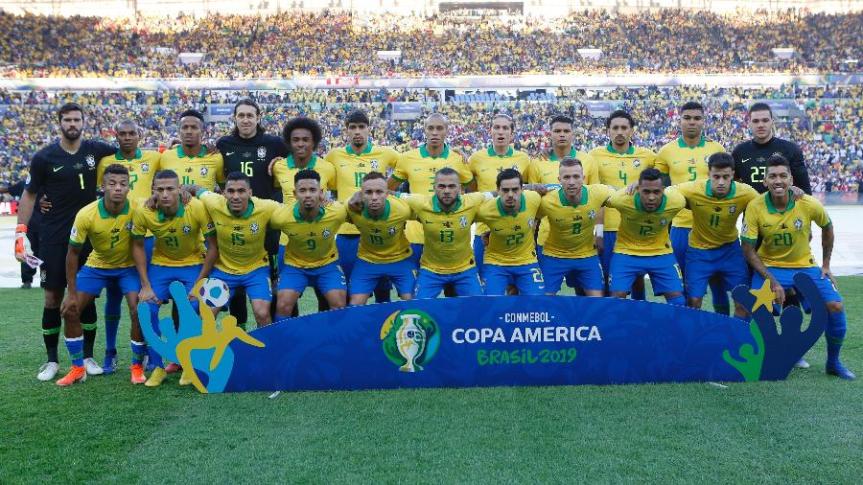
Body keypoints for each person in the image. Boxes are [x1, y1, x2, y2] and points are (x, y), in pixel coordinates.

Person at [14, 102, 116, 381]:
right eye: (68, 120)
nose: (73, 124)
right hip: (55, 237)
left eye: (77, 119)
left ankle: (87, 356)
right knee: (52, 298)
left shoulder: (96, 150)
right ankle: (52, 361)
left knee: (87, 297)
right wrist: (21, 232)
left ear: (84, 122)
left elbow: (128, 152)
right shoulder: (44, 157)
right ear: (60, 122)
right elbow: (30, 194)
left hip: (88, 236)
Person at [741, 154, 854, 380]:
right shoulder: (755, 206)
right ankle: (754, 359)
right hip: (770, 268)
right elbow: (748, 250)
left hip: (805, 266)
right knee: (755, 309)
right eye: (772, 176)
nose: (778, 180)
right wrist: (771, 280)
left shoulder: (808, 203)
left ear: (791, 179)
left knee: (835, 306)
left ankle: (833, 362)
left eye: (783, 175)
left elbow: (828, 228)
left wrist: (826, 265)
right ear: (765, 181)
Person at [56, 164, 144, 386]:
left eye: (123, 184)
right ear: (102, 186)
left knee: (138, 308)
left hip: (127, 268)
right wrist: (71, 292)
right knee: (70, 309)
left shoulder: (137, 210)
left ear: (129, 188)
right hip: (97, 266)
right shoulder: (87, 214)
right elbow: (72, 254)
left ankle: (136, 367)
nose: (117, 188)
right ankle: (77, 368)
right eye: (112, 184)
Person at [132, 169, 218, 387]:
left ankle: (190, 364)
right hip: (161, 266)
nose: (165, 194)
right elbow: (137, 245)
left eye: (170, 189)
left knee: (194, 306)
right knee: (146, 307)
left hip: (192, 265)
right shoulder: (144, 211)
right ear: (153, 192)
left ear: (180, 190)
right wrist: (145, 285)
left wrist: (200, 283)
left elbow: (214, 247)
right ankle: (157, 366)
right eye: (160, 190)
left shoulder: (196, 207)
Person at [96, 119, 162, 373]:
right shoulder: (105, 163)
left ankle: (143, 349)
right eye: (122, 133)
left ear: (139, 135)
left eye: (131, 133)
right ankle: (110, 351)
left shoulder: (155, 158)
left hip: (145, 237)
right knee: (114, 295)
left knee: (143, 296)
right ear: (116, 136)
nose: (127, 137)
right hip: (116, 236)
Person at [217, 99, 290, 324]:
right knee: (237, 281)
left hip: (267, 223)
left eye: (250, 115)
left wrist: (282, 160)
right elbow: (219, 178)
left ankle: (276, 329)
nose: (246, 120)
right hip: (237, 222)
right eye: (241, 115)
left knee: (273, 280)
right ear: (235, 118)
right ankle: (238, 328)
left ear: (258, 118)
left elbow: (296, 159)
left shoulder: (275, 144)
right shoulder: (224, 144)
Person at [655, 101, 731, 315]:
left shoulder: (716, 148)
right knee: (684, 287)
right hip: (681, 227)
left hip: (712, 228)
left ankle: (721, 327)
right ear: (679, 120)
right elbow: (661, 190)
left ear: (703, 121)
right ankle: (688, 332)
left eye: (697, 118)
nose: (692, 122)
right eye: (687, 117)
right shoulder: (666, 151)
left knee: (718, 285)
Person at [324, 110, 400, 304]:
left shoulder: (385, 153)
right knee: (352, 290)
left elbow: (409, 166)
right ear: (346, 131)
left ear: (369, 130)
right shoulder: (334, 155)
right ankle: (355, 332)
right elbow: (321, 178)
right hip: (347, 231)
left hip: (378, 229)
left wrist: (388, 188)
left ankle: (382, 331)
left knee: (383, 291)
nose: (357, 131)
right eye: (352, 128)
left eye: (361, 127)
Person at [674, 153, 759, 318]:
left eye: (725, 177)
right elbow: (665, 193)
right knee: (693, 302)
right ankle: (694, 339)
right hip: (699, 251)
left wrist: (790, 190)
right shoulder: (693, 189)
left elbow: (766, 203)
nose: (721, 182)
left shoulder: (746, 192)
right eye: (716, 177)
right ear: (708, 174)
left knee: (743, 302)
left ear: (733, 175)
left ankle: (736, 340)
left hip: (730, 251)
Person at [194, 172, 283, 327]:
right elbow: (194, 188)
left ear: (250, 193)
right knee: (205, 315)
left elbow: (293, 211)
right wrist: (183, 192)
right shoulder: (213, 202)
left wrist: (322, 202)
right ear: (223, 193)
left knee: (262, 314)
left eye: (241, 191)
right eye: (231, 191)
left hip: (256, 269)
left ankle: (268, 349)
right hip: (223, 270)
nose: (236, 196)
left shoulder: (267, 207)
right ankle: (207, 350)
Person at [388, 113, 473, 269]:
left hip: (450, 234)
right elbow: (388, 189)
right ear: (425, 130)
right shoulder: (408, 158)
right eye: (431, 128)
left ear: (446, 131)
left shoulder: (458, 159)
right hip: (416, 235)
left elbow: (473, 191)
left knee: (453, 287)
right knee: (415, 289)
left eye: (439, 128)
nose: (435, 132)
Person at [590, 110, 657, 299]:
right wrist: (598, 232)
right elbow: (594, 196)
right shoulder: (594, 156)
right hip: (609, 228)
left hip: (636, 227)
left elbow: (661, 182)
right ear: (608, 131)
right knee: (607, 281)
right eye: (615, 128)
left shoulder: (648, 156)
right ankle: (608, 323)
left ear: (632, 131)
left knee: (637, 279)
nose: (620, 132)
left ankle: (638, 324)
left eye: (624, 128)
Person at [273, 170, 348, 319]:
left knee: (339, 304)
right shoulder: (280, 217)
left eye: (312, 190)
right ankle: (283, 341)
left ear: (321, 192)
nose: (307, 194)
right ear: (295, 193)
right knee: (283, 305)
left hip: (327, 265)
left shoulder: (337, 212)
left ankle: (334, 340)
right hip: (295, 266)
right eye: (302, 190)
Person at [403, 167, 488, 298]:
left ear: (459, 188)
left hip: (465, 269)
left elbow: (498, 194)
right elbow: (391, 195)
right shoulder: (421, 203)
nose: (447, 191)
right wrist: (360, 195)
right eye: (441, 186)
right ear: (434, 187)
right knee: (419, 309)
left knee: (477, 307)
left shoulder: (472, 201)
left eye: (451, 186)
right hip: (431, 269)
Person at [605, 168, 686, 305]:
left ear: (663, 189)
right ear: (638, 189)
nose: (651, 197)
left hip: (661, 252)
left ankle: (673, 326)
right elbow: (602, 198)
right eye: (646, 191)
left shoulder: (677, 201)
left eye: (656, 192)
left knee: (678, 301)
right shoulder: (622, 199)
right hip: (626, 252)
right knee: (616, 299)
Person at [468, 114, 531, 277]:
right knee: (485, 284)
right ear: (490, 131)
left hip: (515, 230)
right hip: (484, 230)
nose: (500, 132)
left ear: (512, 133)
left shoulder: (524, 159)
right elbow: (472, 191)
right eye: (496, 127)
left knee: (514, 286)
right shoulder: (476, 159)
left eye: (505, 128)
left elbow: (529, 192)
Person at [538, 158, 611, 296]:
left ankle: (588, 318)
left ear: (583, 178)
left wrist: (599, 233)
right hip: (554, 255)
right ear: (559, 179)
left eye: (576, 177)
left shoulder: (597, 193)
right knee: (544, 301)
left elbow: (623, 196)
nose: (571, 182)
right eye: (566, 177)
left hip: (586, 255)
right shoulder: (546, 200)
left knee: (597, 300)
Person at [346, 172, 415, 305]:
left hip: (399, 259)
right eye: (369, 192)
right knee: (355, 305)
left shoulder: (402, 210)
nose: (374, 197)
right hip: (367, 260)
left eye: (379, 192)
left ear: (387, 193)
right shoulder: (351, 208)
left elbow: (427, 214)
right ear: (361, 193)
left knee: (413, 302)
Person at [475, 169, 544, 296]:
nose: (510, 194)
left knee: (537, 302)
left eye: (515, 189)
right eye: (505, 190)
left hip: (527, 261)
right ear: (498, 190)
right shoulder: (486, 209)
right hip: (496, 263)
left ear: (522, 189)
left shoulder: (534, 199)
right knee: (490, 302)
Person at [732, 102, 812, 195]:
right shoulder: (739, 152)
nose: (760, 125)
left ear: (772, 122)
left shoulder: (791, 150)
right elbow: (732, 186)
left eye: (765, 120)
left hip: (783, 209)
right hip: (752, 209)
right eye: (756, 121)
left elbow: (805, 191)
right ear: (749, 123)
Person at [159, 109, 225, 190]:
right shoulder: (166, 156)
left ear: (203, 132)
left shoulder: (215, 157)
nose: (189, 131)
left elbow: (224, 188)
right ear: (179, 131)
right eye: (185, 127)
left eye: (194, 127)